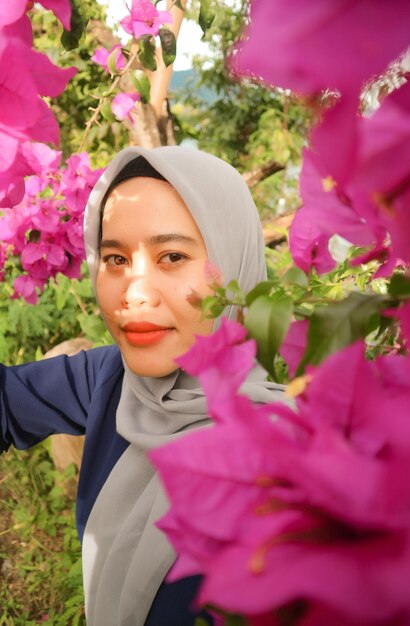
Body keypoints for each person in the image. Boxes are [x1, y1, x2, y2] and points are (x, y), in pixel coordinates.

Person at [0, 146, 286, 626]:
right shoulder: (111, 381)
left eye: (172, 256)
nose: (133, 293)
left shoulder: (289, 466)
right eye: (114, 258)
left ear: (234, 261)